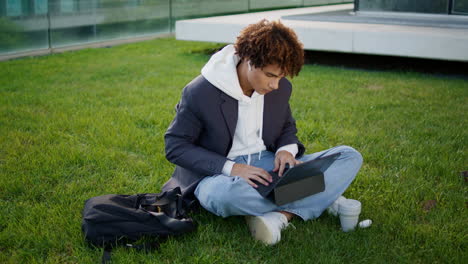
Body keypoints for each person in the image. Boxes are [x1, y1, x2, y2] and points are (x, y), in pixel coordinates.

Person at [162, 19, 363, 245]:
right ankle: (322, 195)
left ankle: (281, 216)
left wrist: (286, 151)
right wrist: (232, 168)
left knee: (349, 156)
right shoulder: (200, 92)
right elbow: (176, 146)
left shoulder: (280, 88)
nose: (276, 85)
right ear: (248, 60)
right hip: (221, 175)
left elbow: (286, 126)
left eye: (281, 76)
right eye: (270, 75)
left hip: (269, 165)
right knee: (223, 197)